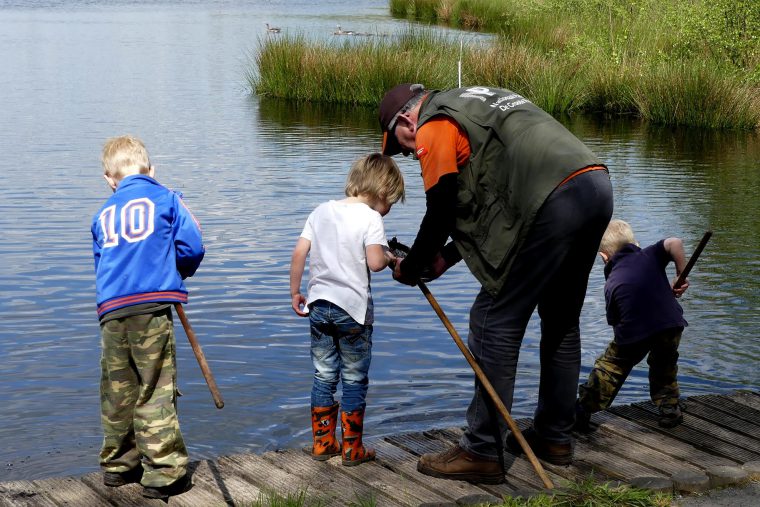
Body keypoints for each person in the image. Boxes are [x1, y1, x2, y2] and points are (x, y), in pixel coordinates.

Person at [378, 83, 613, 482]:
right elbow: (496, 198)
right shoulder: (476, 99)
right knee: (561, 320)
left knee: (493, 320)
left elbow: (441, 207)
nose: (408, 153)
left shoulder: (434, 124)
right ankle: (554, 437)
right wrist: (444, 259)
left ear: (406, 120)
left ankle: (482, 450)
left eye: (401, 145)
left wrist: (412, 266)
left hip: (552, 200)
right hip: (593, 186)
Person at [91, 135, 204, 500]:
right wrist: (175, 271)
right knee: (155, 387)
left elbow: (101, 262)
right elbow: (193, 246)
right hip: (151, 307)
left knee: (118, 389)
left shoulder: (102, 215)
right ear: (151, 171)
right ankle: (163, 472)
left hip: (111, 310)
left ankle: (119, 466)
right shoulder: (167, 199)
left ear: (109, 179)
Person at [289, 153, 405, 466]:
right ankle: (353, 449)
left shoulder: (321, 211)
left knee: (324, 374)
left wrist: (295, 292)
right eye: (392, 201)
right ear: (383, 192)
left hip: (318, 306)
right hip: (353, 311)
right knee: (353, 378)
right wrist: (391, 257)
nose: (390, 208)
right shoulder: (371, 218)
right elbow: (375, 263)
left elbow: (299, 252)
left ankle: (323, 443)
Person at [575, 220, 689, 431]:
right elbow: (675, 242)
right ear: (636, 243)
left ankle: (583, 409)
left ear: (603, 257)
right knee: (664, 365)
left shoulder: (613, 281)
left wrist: (625, 347)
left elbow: (615, 320)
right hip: (670, 323)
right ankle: (669, 409)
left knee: (611, 367)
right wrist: (681, 275)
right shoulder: (649, 255)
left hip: (634, 330)